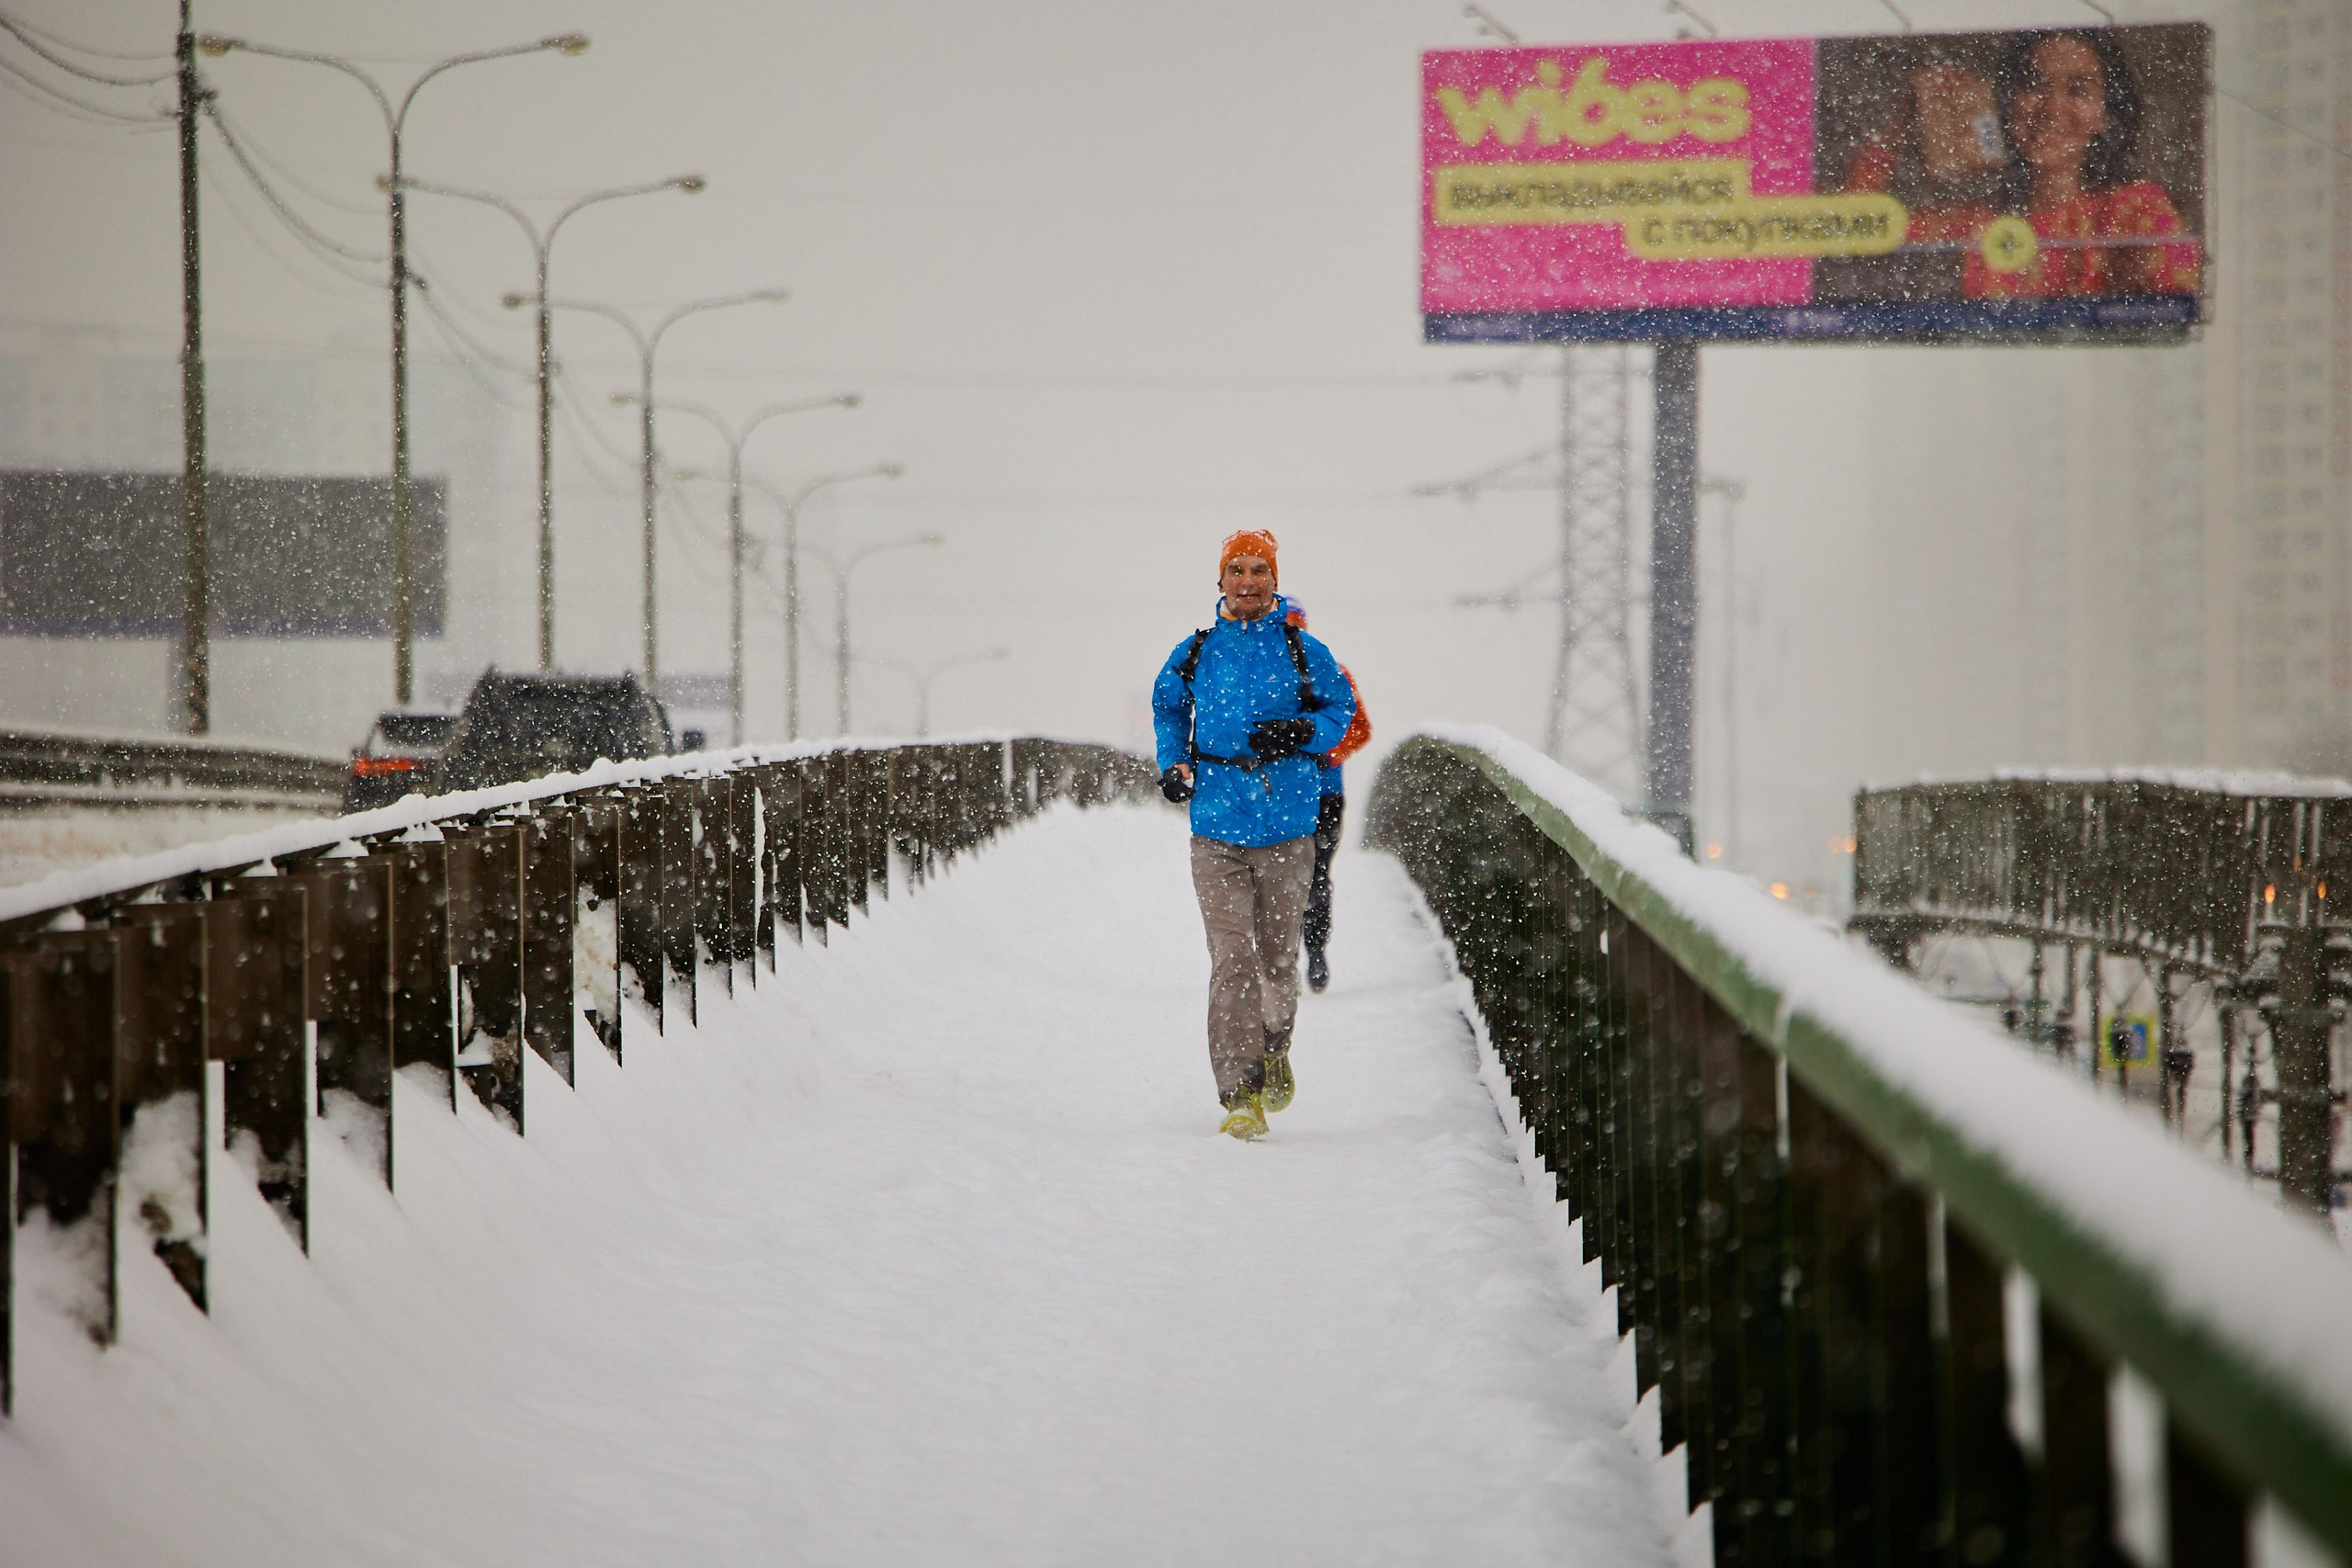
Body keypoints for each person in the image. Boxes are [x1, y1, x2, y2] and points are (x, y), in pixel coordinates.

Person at [1152, 530, 1355, 1141]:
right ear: (1220, 583)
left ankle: (1274, 1047)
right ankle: (1238, 1092)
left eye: (1258, 569)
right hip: (1215, 826)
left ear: (1274, 579)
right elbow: (1168, 709)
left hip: (1289, 824)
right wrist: (1176, 763)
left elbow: (1339, 710)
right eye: (1235, 570)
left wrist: (1299, 733)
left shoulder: (1303, 649)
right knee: (1231, 957)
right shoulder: (1194, 652)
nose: (1247, 581)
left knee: (1274, 957)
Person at [1836, 29, 2199, 300]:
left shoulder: (2134, 212)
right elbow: (1847, 230)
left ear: (2104, 115)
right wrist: (1902, 121)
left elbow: (2172, 314)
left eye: (2077, 91)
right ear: (2008, 105)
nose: (2052, 110)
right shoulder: (1974, 226)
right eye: (2035, 86)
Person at [1282, 599, 1372, 996]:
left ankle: (1306, 954)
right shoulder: (1267, 682)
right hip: (1301, 795)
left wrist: (1327, 753)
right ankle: (1299, 956)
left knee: (1301, 876)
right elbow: (1361, 729)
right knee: (1299, 877)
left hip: (1314, 796)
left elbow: (1360, 728)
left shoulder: (1331, 674)